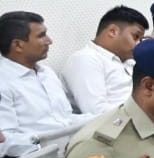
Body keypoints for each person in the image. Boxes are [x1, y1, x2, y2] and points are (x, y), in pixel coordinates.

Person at [0, 12, 90, 145]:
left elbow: (65, 120)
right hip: (38, 155)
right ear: (18, 45)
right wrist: (47, 144)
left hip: (70, 147)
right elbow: (5, 141)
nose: (49, 41)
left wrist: (107, 117)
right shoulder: (3, 82)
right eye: (41, 36)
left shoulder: (46, 73)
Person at [62, 6, 147, 114]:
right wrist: (142, 111)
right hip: (118, 122)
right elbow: (96, 111)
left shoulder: (129, 61)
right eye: (135, 37)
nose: (139, 44)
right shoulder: (86, 59)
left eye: (141, 39)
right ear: (112, 31)